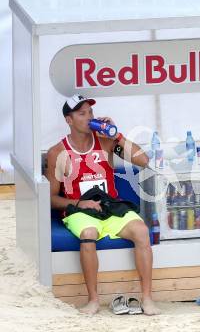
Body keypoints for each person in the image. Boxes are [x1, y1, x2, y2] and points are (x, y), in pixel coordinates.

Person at [45, 94, 160, 315]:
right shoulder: (57, 152)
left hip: (110, 207)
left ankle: (147, 298)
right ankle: (93, 300)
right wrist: (80, 202)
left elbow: (143, 161)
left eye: (90, 112)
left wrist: (118, 135)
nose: (89, 117)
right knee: (88, 232)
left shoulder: (106, 142)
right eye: (82, 114)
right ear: (69, 120)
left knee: (142, 230)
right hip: (80, 210)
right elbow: (51, 198)